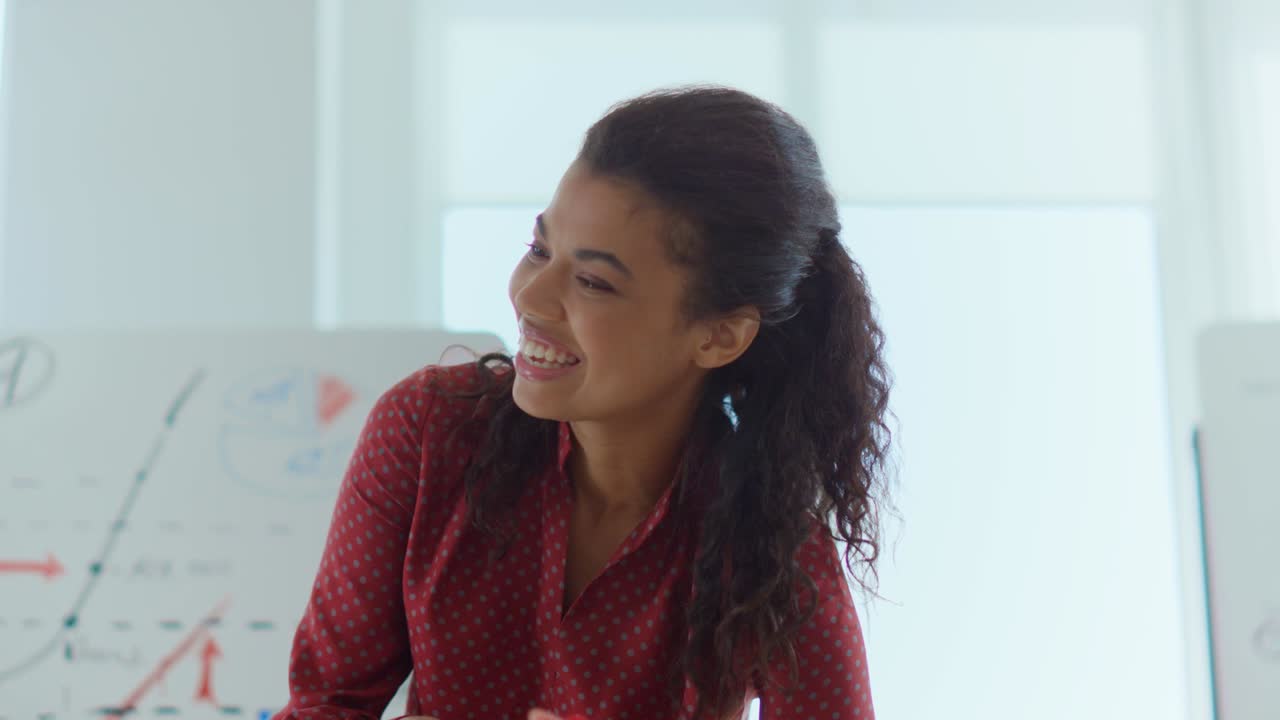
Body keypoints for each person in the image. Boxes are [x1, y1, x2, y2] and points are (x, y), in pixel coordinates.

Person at [273, 85, 894, 720]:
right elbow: (323, 704)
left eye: (593, 281)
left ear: (718, 334)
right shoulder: (429, 434)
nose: (532, 299)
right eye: (540, 249)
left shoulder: (770, 539)